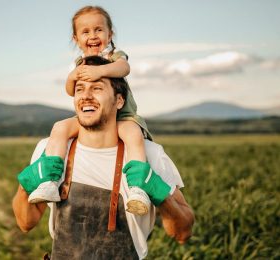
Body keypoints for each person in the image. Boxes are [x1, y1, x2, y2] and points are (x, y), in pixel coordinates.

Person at [13, 56, 194, 259]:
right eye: (80, 89)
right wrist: (25, 185)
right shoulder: (52, 149)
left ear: (119, 100)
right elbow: (25, 223)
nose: (86, 96)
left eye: (97, 88)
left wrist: (159, 193)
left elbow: (182, 233)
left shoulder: (148, 154)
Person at [28, 5, 153, 217]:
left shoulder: (113, 55)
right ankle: (49, 181)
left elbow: (125, 69)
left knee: (132, 134)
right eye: (85, 32)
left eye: (98, 30)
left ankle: (137, 188)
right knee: (59, 128)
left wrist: (100, 71)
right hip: (90, 115)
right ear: (76, 38)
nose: (93, 36)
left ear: (109, 34)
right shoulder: (78, 64)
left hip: (122, 117)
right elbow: (70, 91)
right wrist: (72, 76)